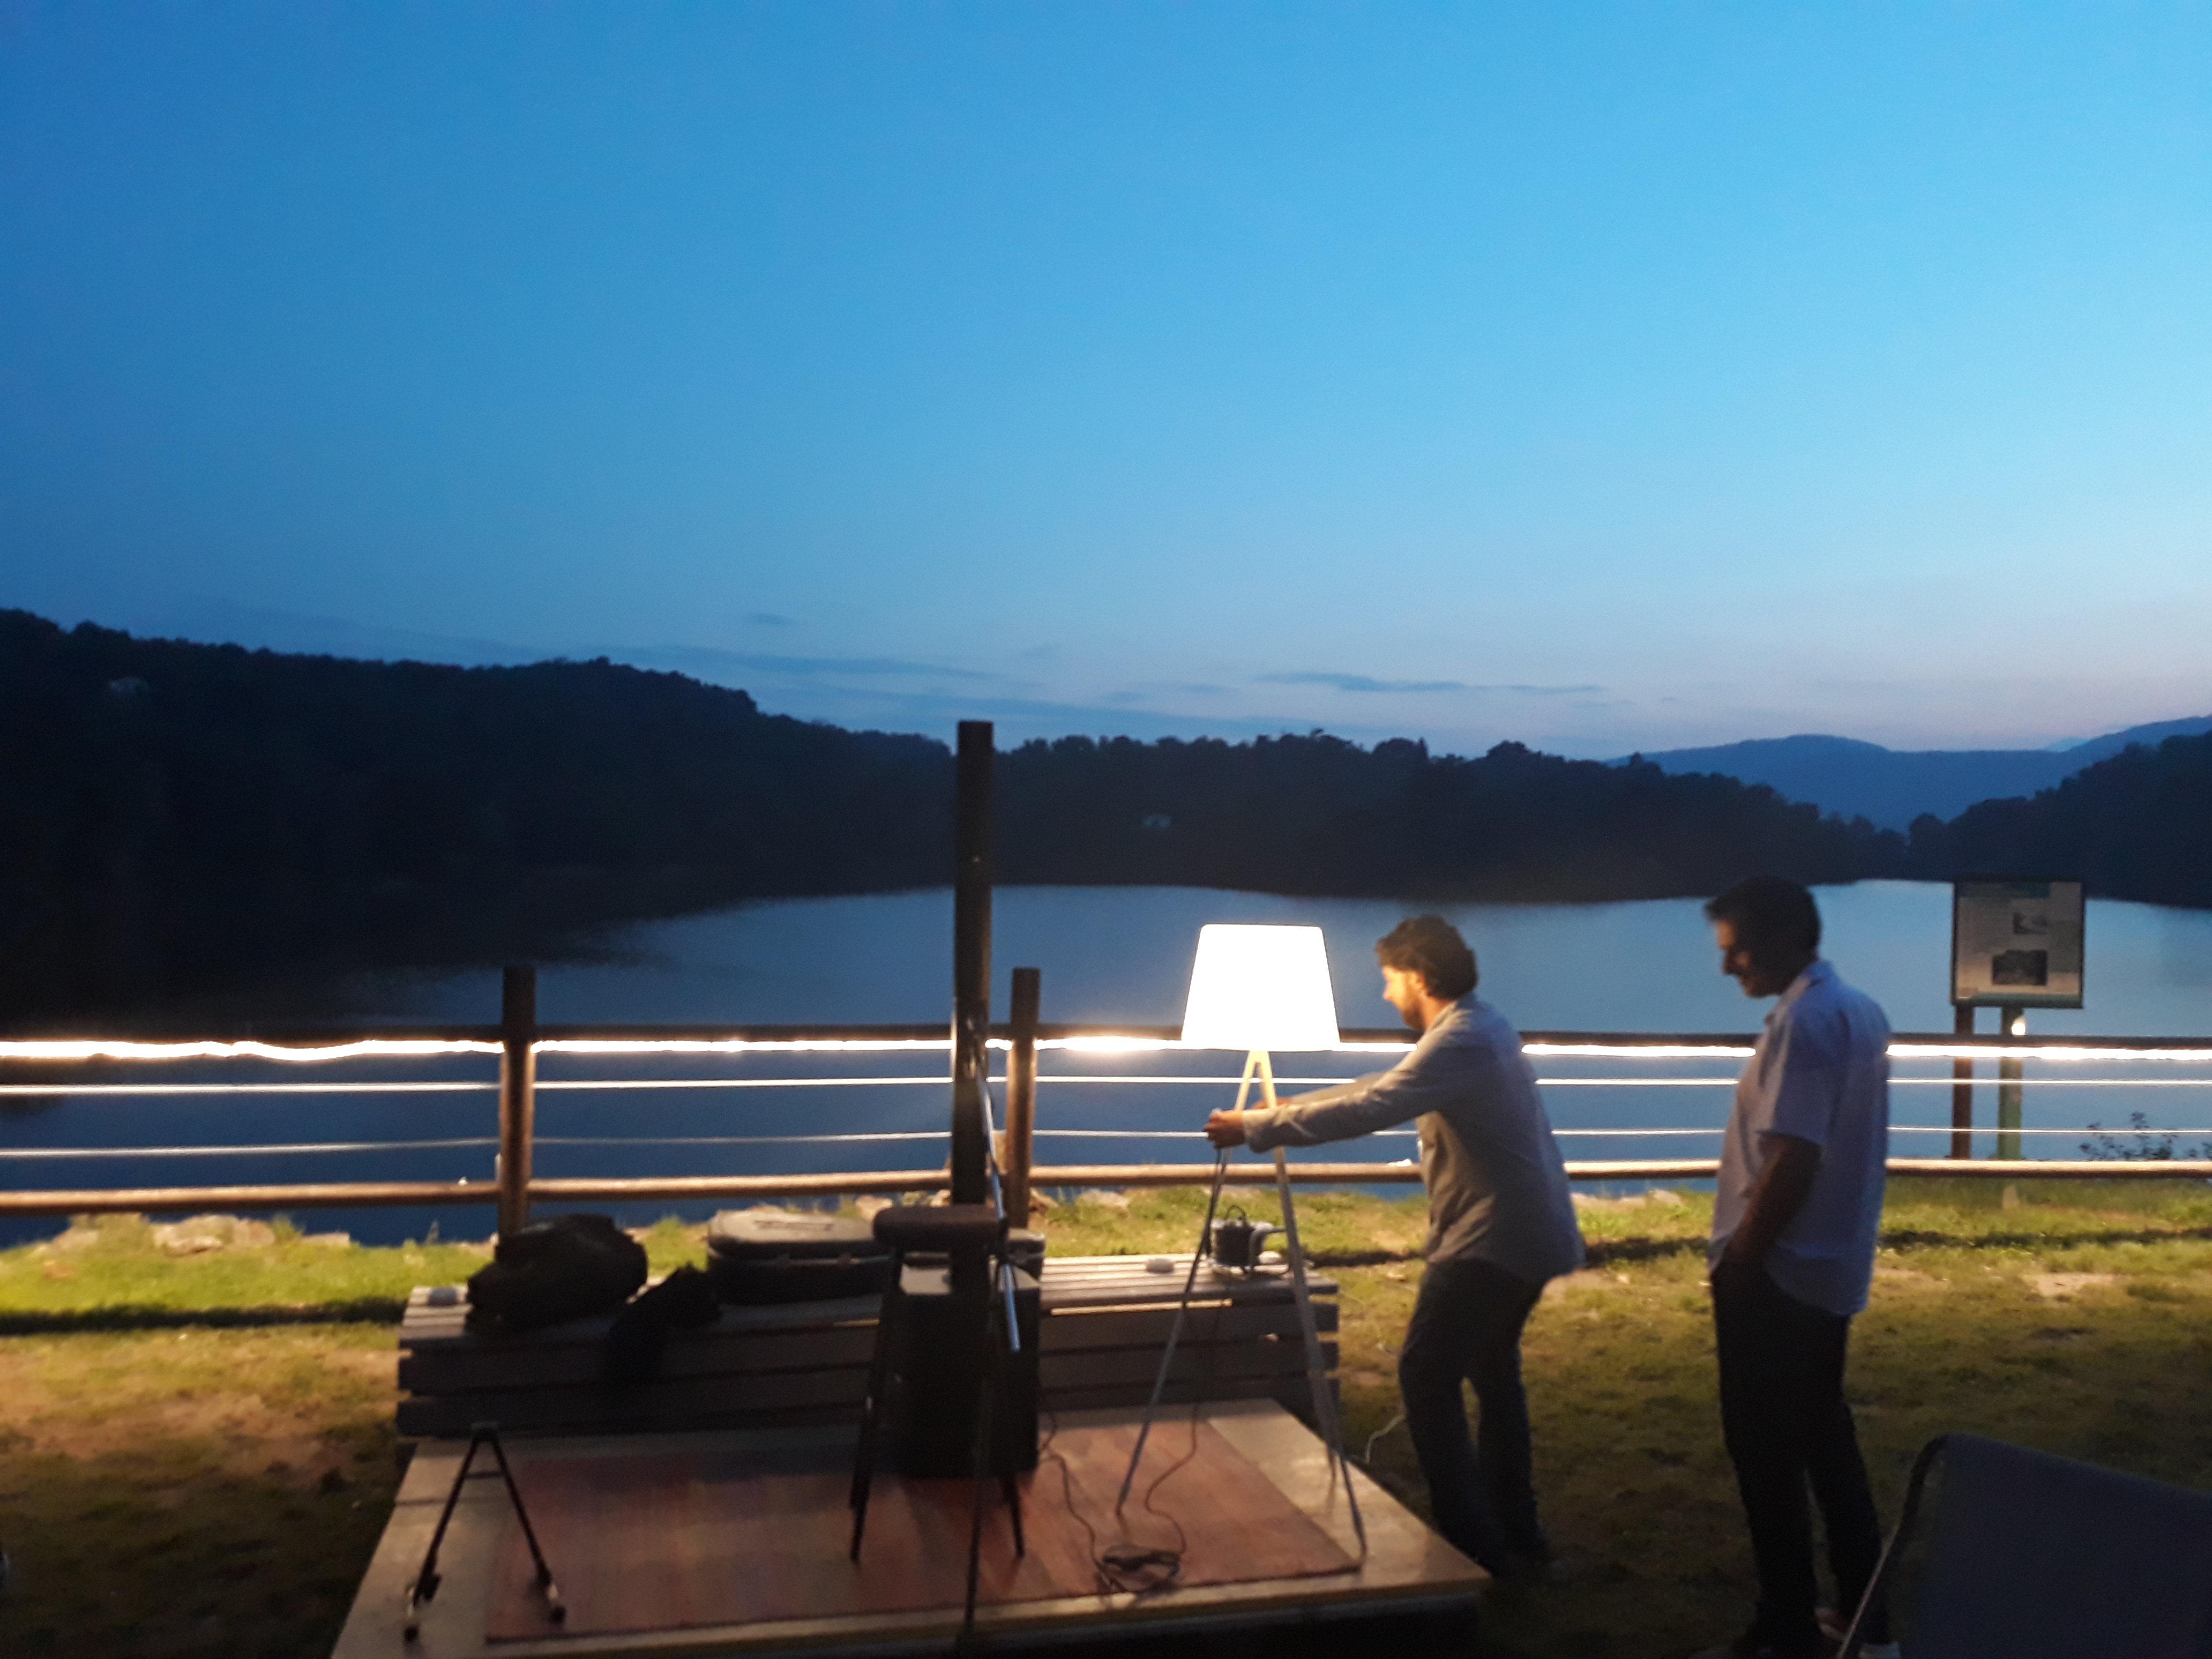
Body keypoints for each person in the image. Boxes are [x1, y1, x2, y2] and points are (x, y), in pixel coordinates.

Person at [1205, 914, 1585, 1578]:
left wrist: (1257, 1126)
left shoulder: (1462, 1039)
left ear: (1420, 977)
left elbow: (1374, 1106)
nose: (1385, 994)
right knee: (1493, 1372)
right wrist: (1284, 1109)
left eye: (1390, 979)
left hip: (1492, 1239)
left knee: (1425, 1374)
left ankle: (1474, 1545)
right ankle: (1516, 1534)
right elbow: (1386, 1086)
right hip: (1529, 1230)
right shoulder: (1478, 1027)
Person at [1696, 877, 1899, 1659]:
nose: (1728, 967)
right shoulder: (1859, 1011)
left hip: (1778, 1277)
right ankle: (1863, 1614)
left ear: (1784, 938)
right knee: (1825, 1440)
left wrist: (1742, 1260)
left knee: (1764, 1455)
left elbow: (1793, 1158)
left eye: (1738, 950)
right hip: (1831, 1270)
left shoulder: (1803, 1023)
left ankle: (1785, 1625)